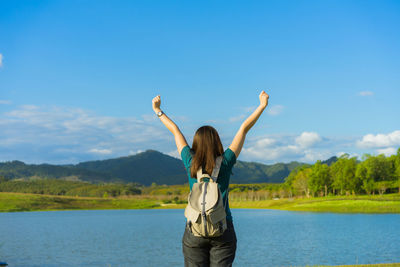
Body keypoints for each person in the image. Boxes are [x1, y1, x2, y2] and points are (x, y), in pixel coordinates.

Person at [152, 91, 269, 267]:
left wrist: (158, 110)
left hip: (194, 231)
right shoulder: (226, 161)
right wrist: (262, 106)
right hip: (223, 229)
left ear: (196, 143)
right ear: (217, 141)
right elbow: (243, 128)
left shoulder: (190, 161)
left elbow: (175, 131)